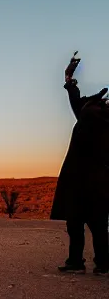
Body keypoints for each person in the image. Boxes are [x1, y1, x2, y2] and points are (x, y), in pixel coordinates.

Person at [51, 56, 109, 274]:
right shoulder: (88, 116)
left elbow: (79, 104)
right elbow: (78, 103)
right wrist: (69, 80)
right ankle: (92, 262)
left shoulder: (96, 119)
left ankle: (97, 262)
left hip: (93, 183)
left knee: (93, 224)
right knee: (82, 223)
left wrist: (70, 81)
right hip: (84, 182)